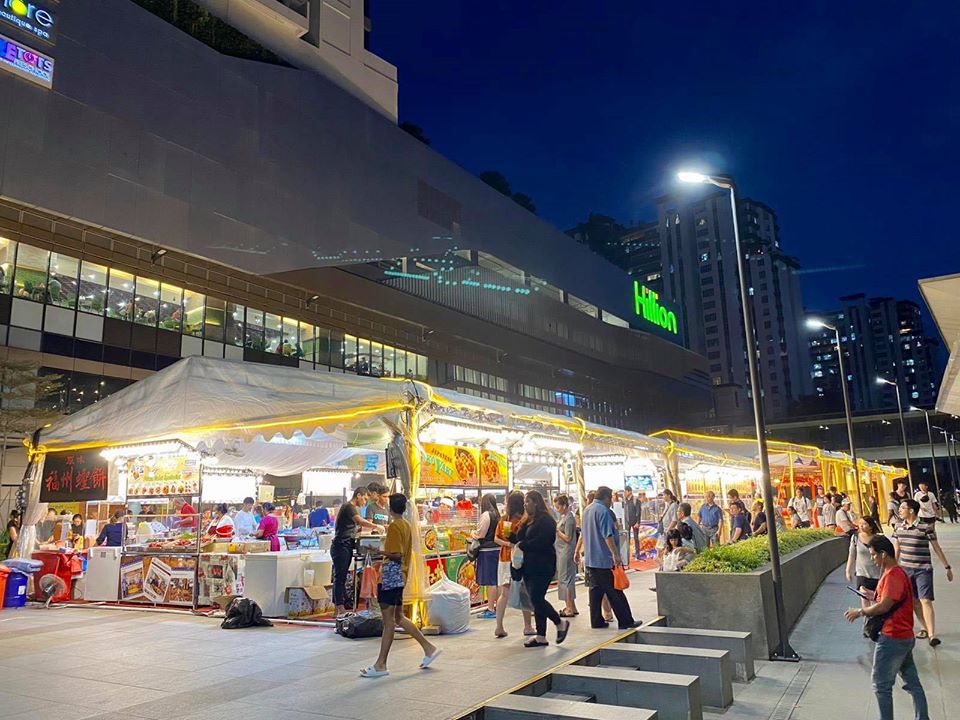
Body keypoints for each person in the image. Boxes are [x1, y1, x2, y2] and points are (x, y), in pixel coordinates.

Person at [844, 535, 929, 720]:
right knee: (912, 683)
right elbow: (885, 600)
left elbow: (885, 606)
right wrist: (870, 596)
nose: (872, 559)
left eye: (874, 555)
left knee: (881, 684)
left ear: (883, 554)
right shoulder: (893, 574)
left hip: (893, 636)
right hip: (903, 636)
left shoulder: (894, 575)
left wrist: (860, 611)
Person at [360, 494, 440, 678]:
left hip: (390, 575)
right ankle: (428, 648)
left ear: (390, 507)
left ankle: (381, 664)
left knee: (389, 621)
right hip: (401, 575)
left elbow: (396, 553)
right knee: (398, 617)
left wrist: (377, 551)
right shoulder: (406, 525)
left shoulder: (395, 526)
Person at [893, 498, 953, 647]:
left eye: (902, 508)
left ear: (911, 510)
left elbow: (936, 547)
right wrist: (892, 569)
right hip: (906, 570)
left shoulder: (925, 527)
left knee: (925, 600)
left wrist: (947, 567)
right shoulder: (898, 527)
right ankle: (924, 627)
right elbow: (897, 550)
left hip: (923, 569)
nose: (899, 510)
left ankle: (932, 635)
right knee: (914, 602)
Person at [514, 490, 569, 648]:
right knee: (535, 599)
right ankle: (541, 636)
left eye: (528, 501)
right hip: (529, 566)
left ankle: (559, 623)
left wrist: (523, 544)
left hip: (543, 565)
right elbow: (520, 537)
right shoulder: (528, 520)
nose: (525, 504)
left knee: (536, 598)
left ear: (536, 503)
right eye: (525, 502)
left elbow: (543, 541)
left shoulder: (546, 521)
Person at [581, 486, 641, 630]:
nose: (612, 503)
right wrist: (616, 555)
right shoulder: (603, 511)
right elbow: (607, 535)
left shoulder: (587, 510)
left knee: (595, 591)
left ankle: (596, 621)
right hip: (603, 559)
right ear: (607, 498)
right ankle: (626, 621)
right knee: (615, 591)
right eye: (611, 499)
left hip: (590, 559)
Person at [331, 488, 383, 616]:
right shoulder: (349, 507)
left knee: (340, 576)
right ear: (358, 495)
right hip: (341, 545)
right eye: (364, 498)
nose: (365, 502)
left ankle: (338, 607)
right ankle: (339, 607)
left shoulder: (354, 508)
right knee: (340, 577)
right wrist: (376, 526)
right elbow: (360, 521)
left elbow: (356, 527)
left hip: (347, 545)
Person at [493, 490, 534, 638]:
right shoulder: (523, 521)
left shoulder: (503, 520)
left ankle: (499, 626)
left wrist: (507, 544)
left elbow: (496, 539)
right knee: (525, 591)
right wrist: (513, 544)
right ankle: (528, 626)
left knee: (504, 593)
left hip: (503, 559)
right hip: (519, 559)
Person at [846, 515, 883, 621]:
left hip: (877, 573)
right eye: (860, 523)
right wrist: (848, 570)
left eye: (864, 524)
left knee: (876, 599)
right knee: (865, 598)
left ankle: (876, 621)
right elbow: (852, 554)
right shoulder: (855, 538)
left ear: (871, 526)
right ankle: (867, 623)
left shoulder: (878, 538)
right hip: (862, 573)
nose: (861, 526)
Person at [473, 493, 501, 619]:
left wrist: (472, 532)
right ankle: (498, 607)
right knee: (496, 580)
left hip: (487, 551)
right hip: (497, 549)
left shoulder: (486, 515)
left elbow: (481, 534)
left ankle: (490, 609)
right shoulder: (498, 514)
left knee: (490, 581)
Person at [554, 494, 578, 617]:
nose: (557, 509)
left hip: (566, 551)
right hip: (562, 551)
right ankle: (572, 606)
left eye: (558, 507)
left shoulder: (569, 518)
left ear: (564, 506)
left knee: (565, 579)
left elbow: (568, 537)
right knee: (567, 578)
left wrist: (557, 531)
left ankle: (569, 608)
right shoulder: (564, 517)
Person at [656, 489, 679, 566]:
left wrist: (669, 530)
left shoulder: (674, 505)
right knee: (659, 549)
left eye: (664, 495)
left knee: (666, 548)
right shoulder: (667, 505)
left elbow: (674, 520)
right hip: (664, 530)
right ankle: (662, 564)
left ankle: (665, 564)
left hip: (668, 531)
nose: (663, 497)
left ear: (669, 495)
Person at [622, 486, 641, 560]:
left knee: (636, 539)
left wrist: (638, 522)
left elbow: (638, 512)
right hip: (627, 522)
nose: (624, 493)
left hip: (635, 522)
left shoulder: (636, 500)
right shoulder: (625, 501)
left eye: (625, 491)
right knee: (627, 539)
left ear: (629, 491)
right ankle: (627, 555)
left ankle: (637, 555)